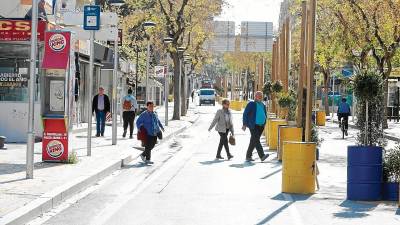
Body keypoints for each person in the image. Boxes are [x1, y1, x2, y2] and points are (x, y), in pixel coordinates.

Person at [242, 91, 269, 162]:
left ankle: (248, 156)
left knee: (253, 141)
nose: (260, 97)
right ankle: (262, 155)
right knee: (256, 140)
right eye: (258, 96)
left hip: (261, 126)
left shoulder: (263, 105)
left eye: (261, 96)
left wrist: (265, 122)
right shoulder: (251, 104)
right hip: (253, 125)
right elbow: (245, 114)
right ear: (255, 96)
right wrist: (244, 124)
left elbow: (265, 114)